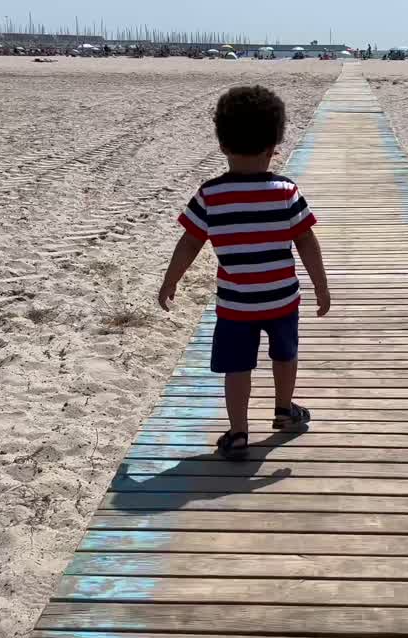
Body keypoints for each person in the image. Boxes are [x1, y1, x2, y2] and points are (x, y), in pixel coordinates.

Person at [158, 85, 331, 460]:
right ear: (275, 146)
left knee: (237, 367)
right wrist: (321, 285)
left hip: (236, 305)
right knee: (285, 355)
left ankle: (238, 433)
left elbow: (190, 242)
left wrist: (171, 280)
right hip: (282, 298)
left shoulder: (210, 195)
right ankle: (285, 411)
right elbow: (306, 241)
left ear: (222, 144)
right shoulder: (286, 191)